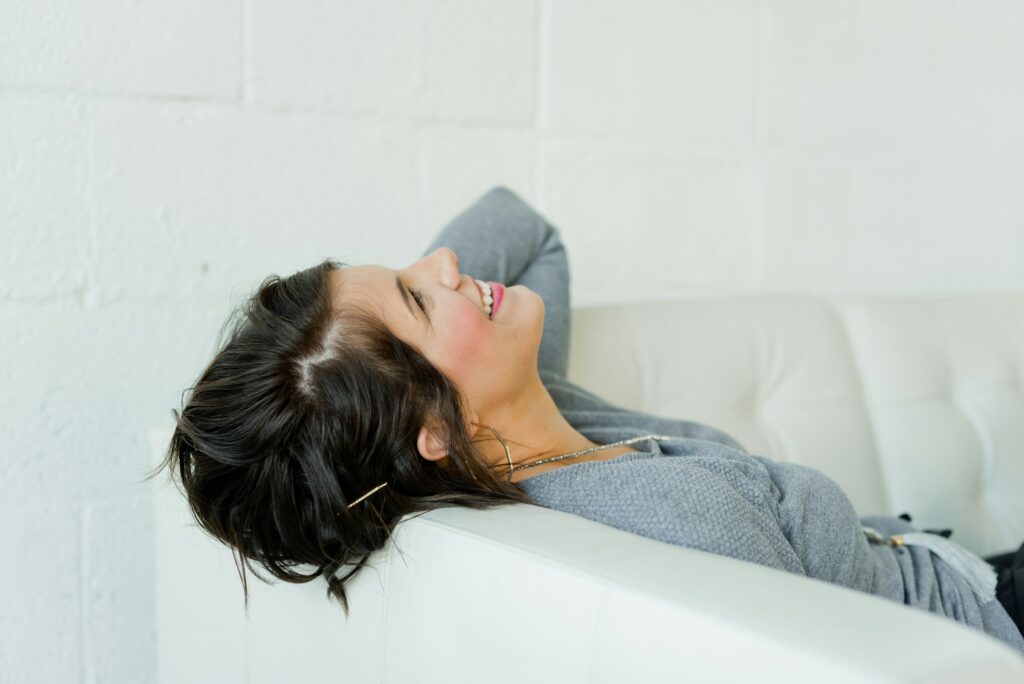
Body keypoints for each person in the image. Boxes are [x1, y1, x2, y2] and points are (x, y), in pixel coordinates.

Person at [151, 186, 1024, 656]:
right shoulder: (667, 524)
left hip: (958, 564)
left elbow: (524, 226)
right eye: (419, 294)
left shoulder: (535, 413)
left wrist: (391, 329)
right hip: (983, 624)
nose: (449, 261)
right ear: (429, 432)